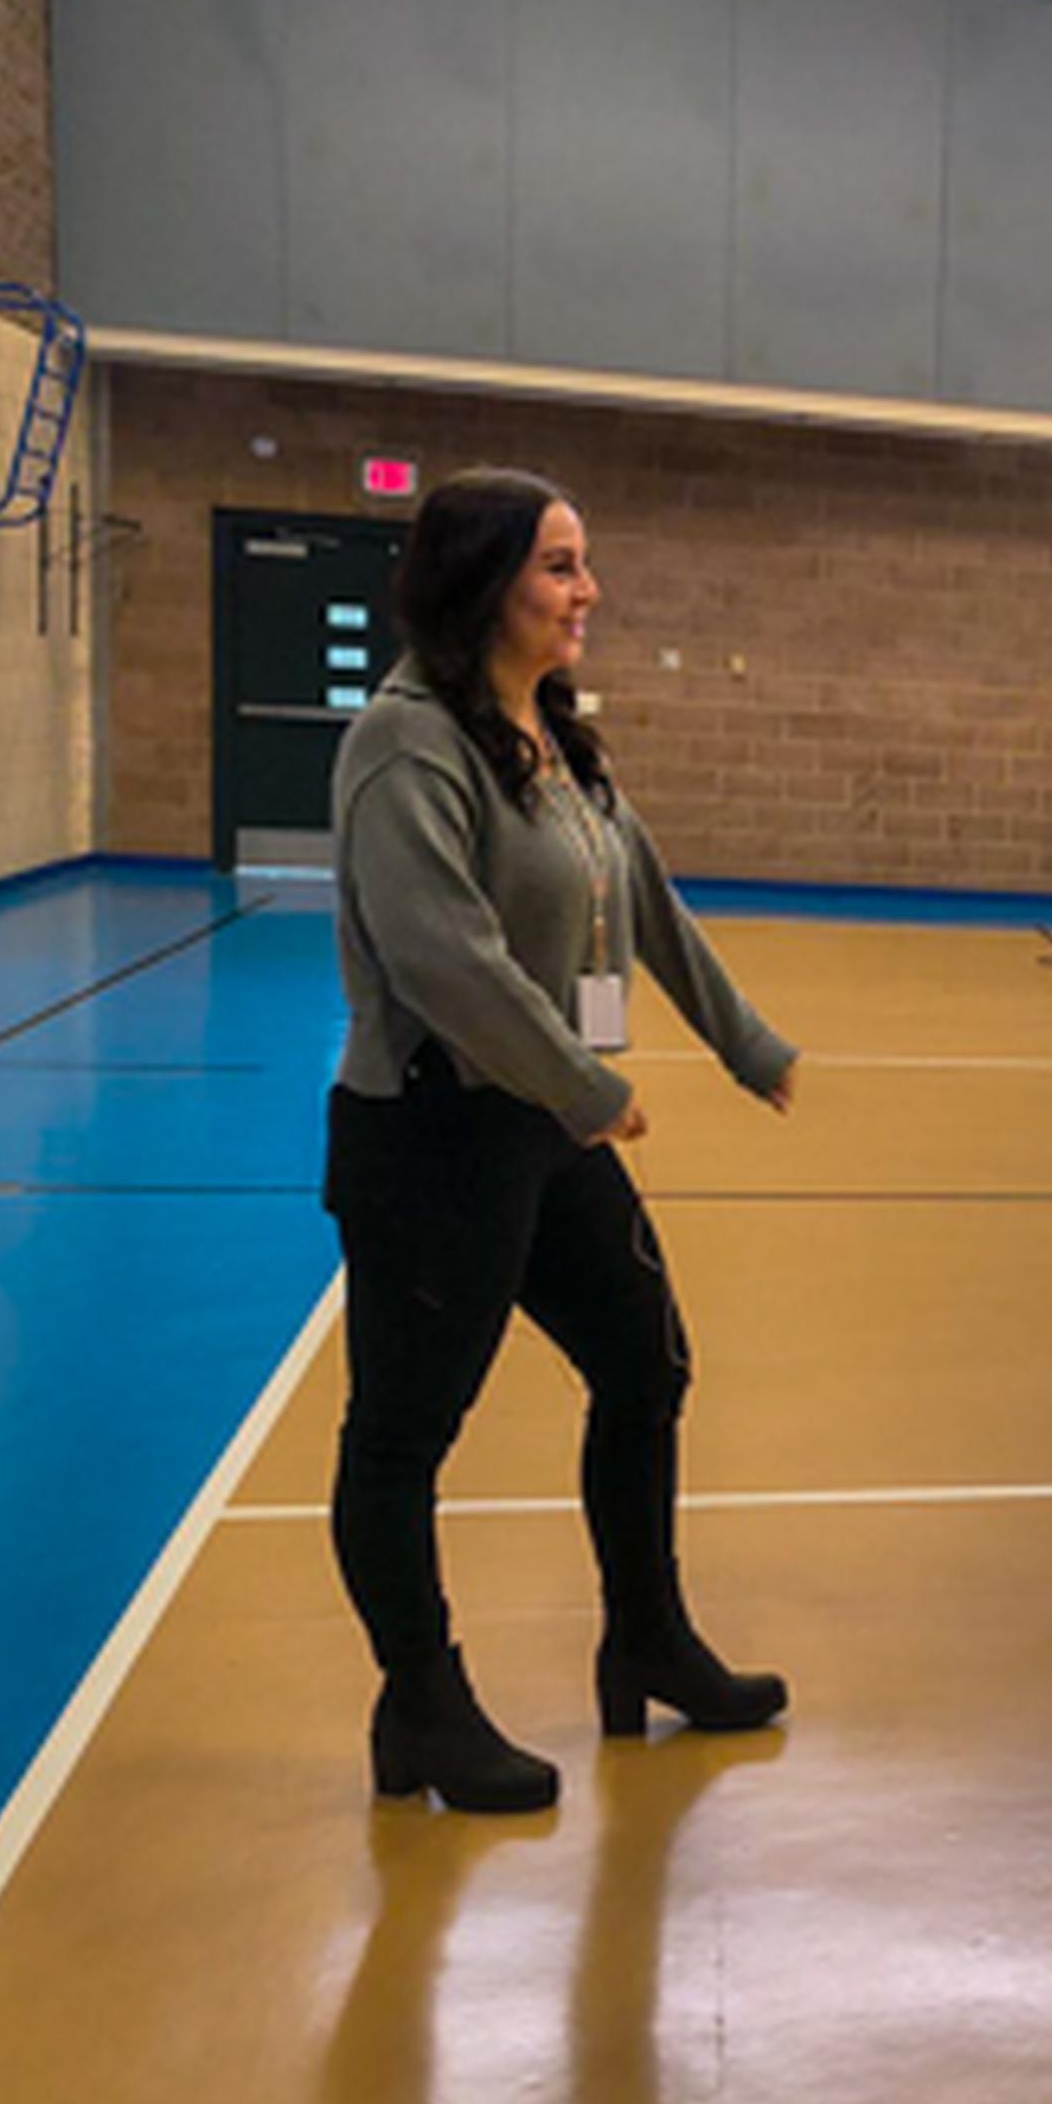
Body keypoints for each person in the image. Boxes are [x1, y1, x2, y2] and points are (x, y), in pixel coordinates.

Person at [324, 468, 802, 1814]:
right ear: (483, 583)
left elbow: (640, 898)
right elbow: (447, 965)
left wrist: (745, 1041)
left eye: (583, 564)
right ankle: (420, 1705)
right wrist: (585, 1090)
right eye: (559, 567)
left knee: (647, 1368)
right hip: (435, 1134)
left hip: (540, 1128)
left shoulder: (554, 735)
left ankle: (648, 1643)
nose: (586, 592)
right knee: (404, 1436)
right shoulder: (409, 747)